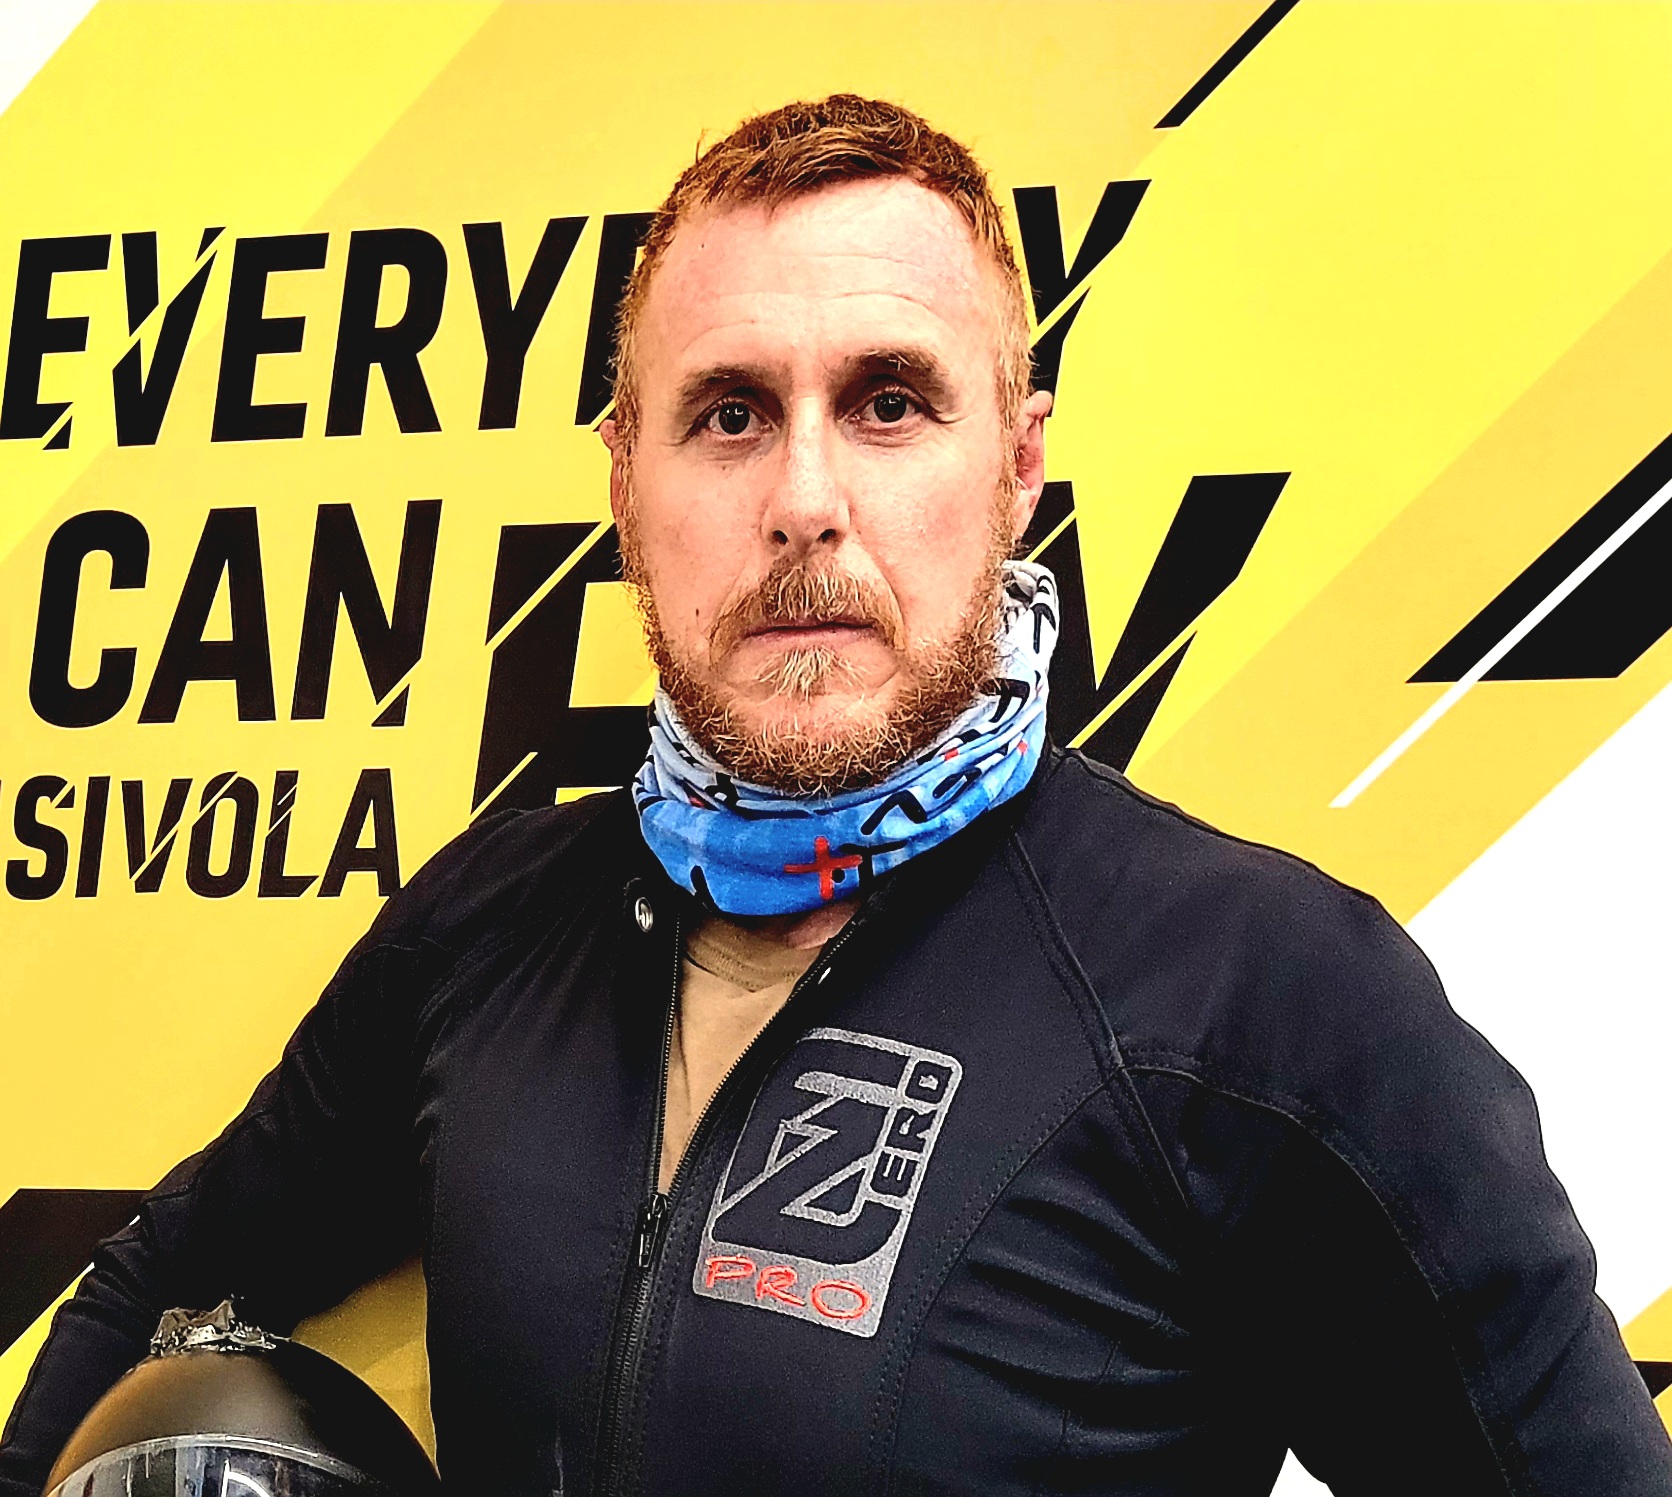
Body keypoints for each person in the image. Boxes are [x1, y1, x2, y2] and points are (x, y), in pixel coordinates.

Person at [2, 94, 1667, 1497]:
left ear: (1017, 464)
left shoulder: (1264, 995)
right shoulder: (490, 921)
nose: (806, 498)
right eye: (729, 415)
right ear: (625, 483)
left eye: (887, 403)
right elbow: (158, 1284)